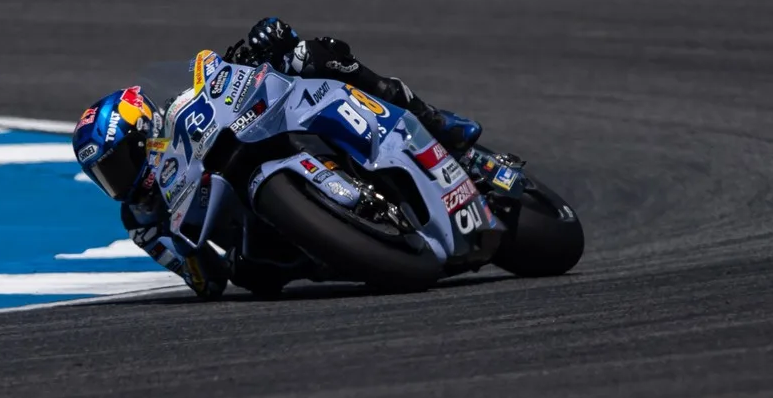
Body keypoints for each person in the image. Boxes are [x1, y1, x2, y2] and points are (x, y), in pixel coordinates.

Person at [71, 18, 482, 299]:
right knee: (254, 277)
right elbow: (205, 282)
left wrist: (262, 45)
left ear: (143, 132)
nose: (117, 181)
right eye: (105, 176)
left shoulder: (180, 122)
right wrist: (192, 255)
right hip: (263, 241)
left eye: (118, 163)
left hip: (259, 140)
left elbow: (227, 77)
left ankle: (435, 122)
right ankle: (350, 249)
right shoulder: (140, 220)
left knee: (311, 56)